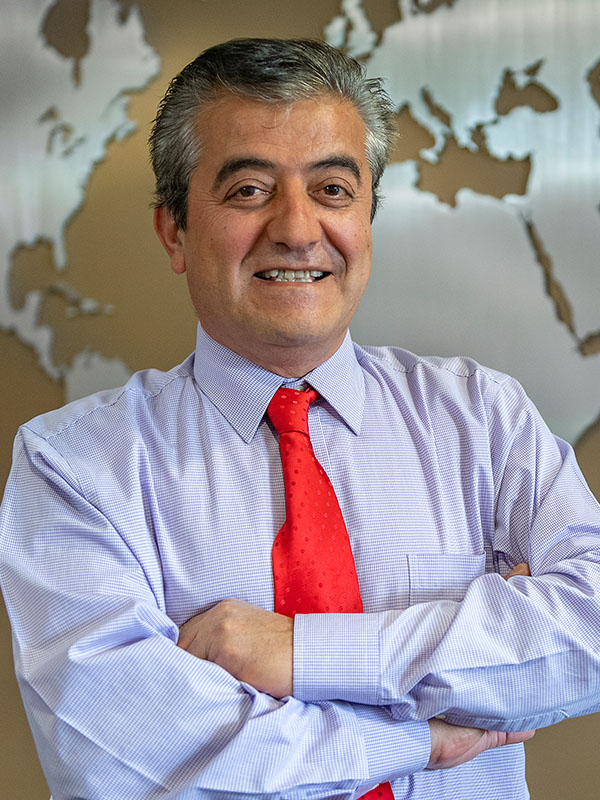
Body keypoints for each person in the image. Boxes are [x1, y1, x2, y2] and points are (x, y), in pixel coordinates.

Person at [1, 37, 600, 800]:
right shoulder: (74, 466)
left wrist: (302, 653)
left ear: (367, 221)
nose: (296, 228)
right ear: (174, 231)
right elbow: (136, 760)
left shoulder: (482, 419)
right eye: (249, 189)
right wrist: (420, 734)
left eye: (333, 190)